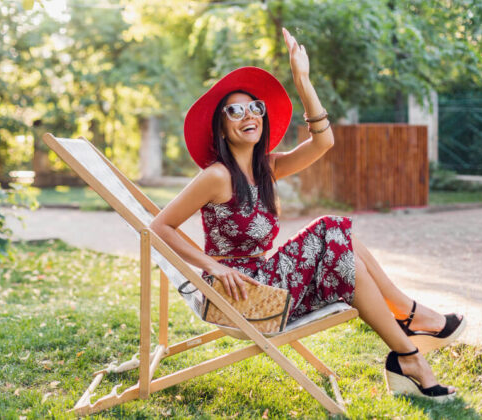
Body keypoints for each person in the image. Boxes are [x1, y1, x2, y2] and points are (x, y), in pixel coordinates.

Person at [150, 28, 465, 401]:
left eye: (255, 108)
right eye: (234, 111)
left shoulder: (265, 168)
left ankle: (408, 353)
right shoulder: (216, 176)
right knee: (331, 229)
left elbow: (323, 142)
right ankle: (412, 328)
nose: (248, 114)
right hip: (239, 295)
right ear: (221, 126)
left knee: (346, 253)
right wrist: (214, 267)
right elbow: (159, 227)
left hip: (264, 286)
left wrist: (302, 79)